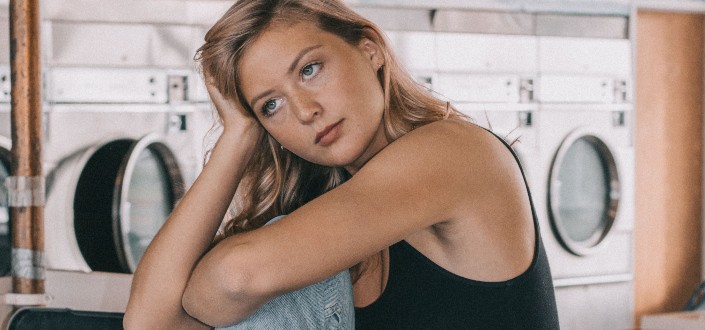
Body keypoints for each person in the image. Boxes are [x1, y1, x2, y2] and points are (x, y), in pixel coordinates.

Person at [124, 0, 560, 329]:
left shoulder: (455, 153)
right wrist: (237, 137)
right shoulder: (331, 211)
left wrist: (217, 282)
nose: (305, 110)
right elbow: (149, 322)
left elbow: (237, 276)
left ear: (369, 50)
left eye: (310, 69)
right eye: (271, 105)